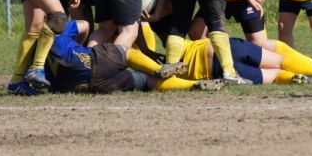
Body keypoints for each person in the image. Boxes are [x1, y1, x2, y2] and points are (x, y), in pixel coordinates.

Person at [46, 20, 223, 93]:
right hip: (93, 61)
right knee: (124, 51)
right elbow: (84, 24)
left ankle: (194, 86)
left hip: (88, 86)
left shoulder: (40, 69)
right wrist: (79, 43)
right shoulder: (56, 37)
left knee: (147, 82)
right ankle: (160, 69)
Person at [176, 37, 312, 85]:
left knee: (275, 75)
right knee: (280, 60)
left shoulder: (166, 69)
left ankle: (292, 79)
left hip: (216, 72)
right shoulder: (176, 41)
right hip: (224, 47)